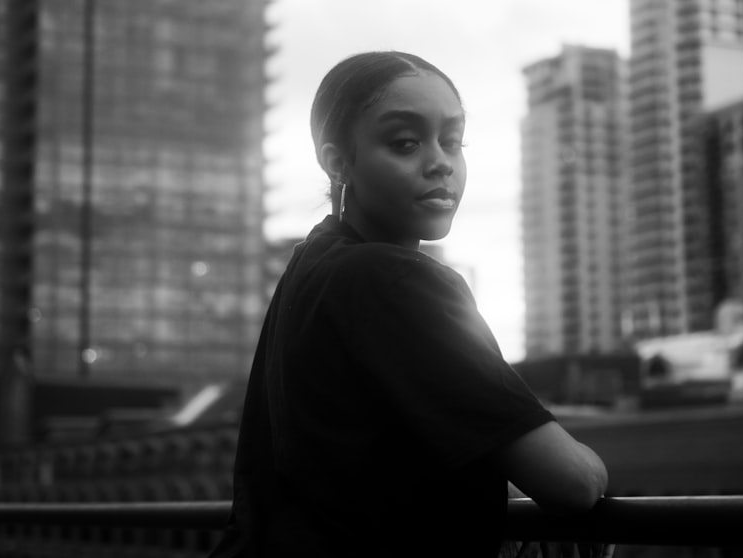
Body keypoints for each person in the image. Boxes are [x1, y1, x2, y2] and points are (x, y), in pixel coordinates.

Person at [208, 51, 611, 558]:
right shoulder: (394, 278)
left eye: (453, 141)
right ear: (338, 162)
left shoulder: (311, 265)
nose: (440, 161)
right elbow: (570, 481)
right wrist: (593, 471)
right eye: (405, 142)